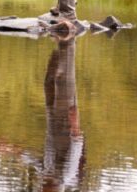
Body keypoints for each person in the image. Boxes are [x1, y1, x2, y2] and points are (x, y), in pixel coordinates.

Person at [42, 29, 85, 190]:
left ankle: (59, 42)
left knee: (48, 81)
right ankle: (67, 39)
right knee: (62, 78)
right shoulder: (65, 175)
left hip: (52, 117)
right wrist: (75, 125)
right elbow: (75, 149)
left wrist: (14, 151)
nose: (40, 189)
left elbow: (35, 161)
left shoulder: (48, 172)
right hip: (64, 121)